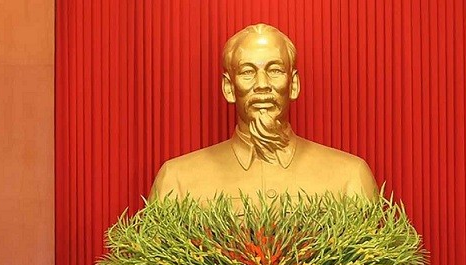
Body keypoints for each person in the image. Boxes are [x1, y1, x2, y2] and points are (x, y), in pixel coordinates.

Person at [149, 23, 379, 202]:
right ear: (229, 88)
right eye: (247, 72)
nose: (262, 84)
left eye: (275, 70)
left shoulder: (350, 177)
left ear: (294, 84)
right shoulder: (177, 179)